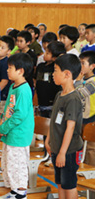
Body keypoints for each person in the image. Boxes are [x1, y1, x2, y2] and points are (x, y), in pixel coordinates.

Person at [45, 54, 83, 199]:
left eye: (55, 70)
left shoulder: (73, 98)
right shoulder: (59, 94)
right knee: (60, 183)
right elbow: (54, 120)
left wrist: (62, 152)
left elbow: (70, 127)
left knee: (69, 185)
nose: (53, 74)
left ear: (67, 74)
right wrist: (48, 140)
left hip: (69, 151)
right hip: (57, 148)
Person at [0, 53, 35, 199]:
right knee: (9, 163)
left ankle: (20, 193)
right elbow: (8, 108)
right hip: (10, 133)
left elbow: (19, 115)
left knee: (17, 165)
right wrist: (2, 122)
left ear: (20, 71)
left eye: (10, 68)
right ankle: (14, 191)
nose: (7, 70)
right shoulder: (14, 86)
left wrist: (3, 128)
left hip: (18, 134)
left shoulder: (24, 90)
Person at [36, 41, 66, 117]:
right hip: (41, 102)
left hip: (52, 104)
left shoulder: (56, 68)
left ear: (55, 57)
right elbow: (35, 80)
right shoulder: (40, 66)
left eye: (48, 53)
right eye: (45, 51)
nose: (44, 54)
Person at [75, 51, 95, 166]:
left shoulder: (93, 82)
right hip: (81, 118)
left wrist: (77, 81)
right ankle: (82, 167)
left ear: (92, 66)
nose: (80, 66)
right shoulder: (82, 80)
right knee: (80, 146)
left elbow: (79, 94)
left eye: (83, 63)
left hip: (91, 119)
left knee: (91, 148)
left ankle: (91, 171)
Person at [0, 36, 14, 114]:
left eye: (2, 48)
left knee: (0, 117)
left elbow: (4, 81)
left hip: (2, 97)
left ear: (8, 51)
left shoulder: (5, 63)